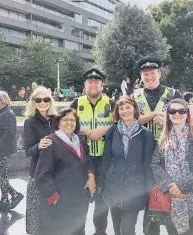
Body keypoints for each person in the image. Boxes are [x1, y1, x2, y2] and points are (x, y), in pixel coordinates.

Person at [150, 99, 193, 235]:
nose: (177, 114)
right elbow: (155, 163)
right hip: (171, 201)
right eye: (173, 111)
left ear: (187, 114)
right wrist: (169, 185)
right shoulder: (164, 137)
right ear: (168, 114)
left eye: (181, 111)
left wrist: (181, 186)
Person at [133, 56, 182, 235]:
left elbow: (186, 120)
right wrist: (153, 114)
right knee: (149, 201)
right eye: (145, 74)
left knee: (170, 198)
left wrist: (168, 120)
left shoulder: (174, 94)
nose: (149, 77)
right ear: (141, 76)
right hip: (143, 156)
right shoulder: (134, 96)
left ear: (159, 74)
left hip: (169, 155)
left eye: (152, 73)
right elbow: (128, 121)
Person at [35, 107, 96, 235]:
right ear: (58, 122)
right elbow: (42, 174)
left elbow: (88, 161)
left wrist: (91, 175)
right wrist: (54, 197)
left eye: (72, 120)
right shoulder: (51, 142)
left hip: (79, 200)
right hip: (60, 201)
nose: (69, 122)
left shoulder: (81, 142)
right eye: (65, 119)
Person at [98, 98, 155, 235]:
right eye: (121, 108)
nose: (125, 111)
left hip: (134, 188)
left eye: (128, 107)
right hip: (113, 186)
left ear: (135, 109)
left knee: (127, 230)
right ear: (118, 112)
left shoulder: (146, 134)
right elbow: (106, 158)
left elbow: (148, 163)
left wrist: (150, 187)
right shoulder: (112, 132)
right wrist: (101, 181)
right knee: (117, 229)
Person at [70, 68, 115, 235]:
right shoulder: (76, 103)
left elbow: (122, 124)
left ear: (102, 84)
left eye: (97, 82)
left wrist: (103, 130)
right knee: (80, 197)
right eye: (90, 82)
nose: (93, 84)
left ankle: (100, 232)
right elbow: (65, 124)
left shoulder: (111, 104)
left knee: (102, 200)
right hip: (82, 158)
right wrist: (87, 132)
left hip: (105, 158)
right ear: (85, 84)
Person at [23, 86, 58, 235]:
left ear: (51, 101)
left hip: (57, 174)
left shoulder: (58, 119)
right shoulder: (30, 122)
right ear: (33, 102)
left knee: (54, 214)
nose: (42, 103)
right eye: (38, 100)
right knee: (36, 217)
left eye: (46, 99)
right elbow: (28, 151)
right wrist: (38, 146)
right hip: (38, 174)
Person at [0, 91, 23, 211]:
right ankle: (4, 200)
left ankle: (15, 194)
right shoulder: (3, 113)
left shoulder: (6, 114)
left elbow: (10, 133)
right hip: (2, 150)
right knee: (2, 175)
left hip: (2, 151)